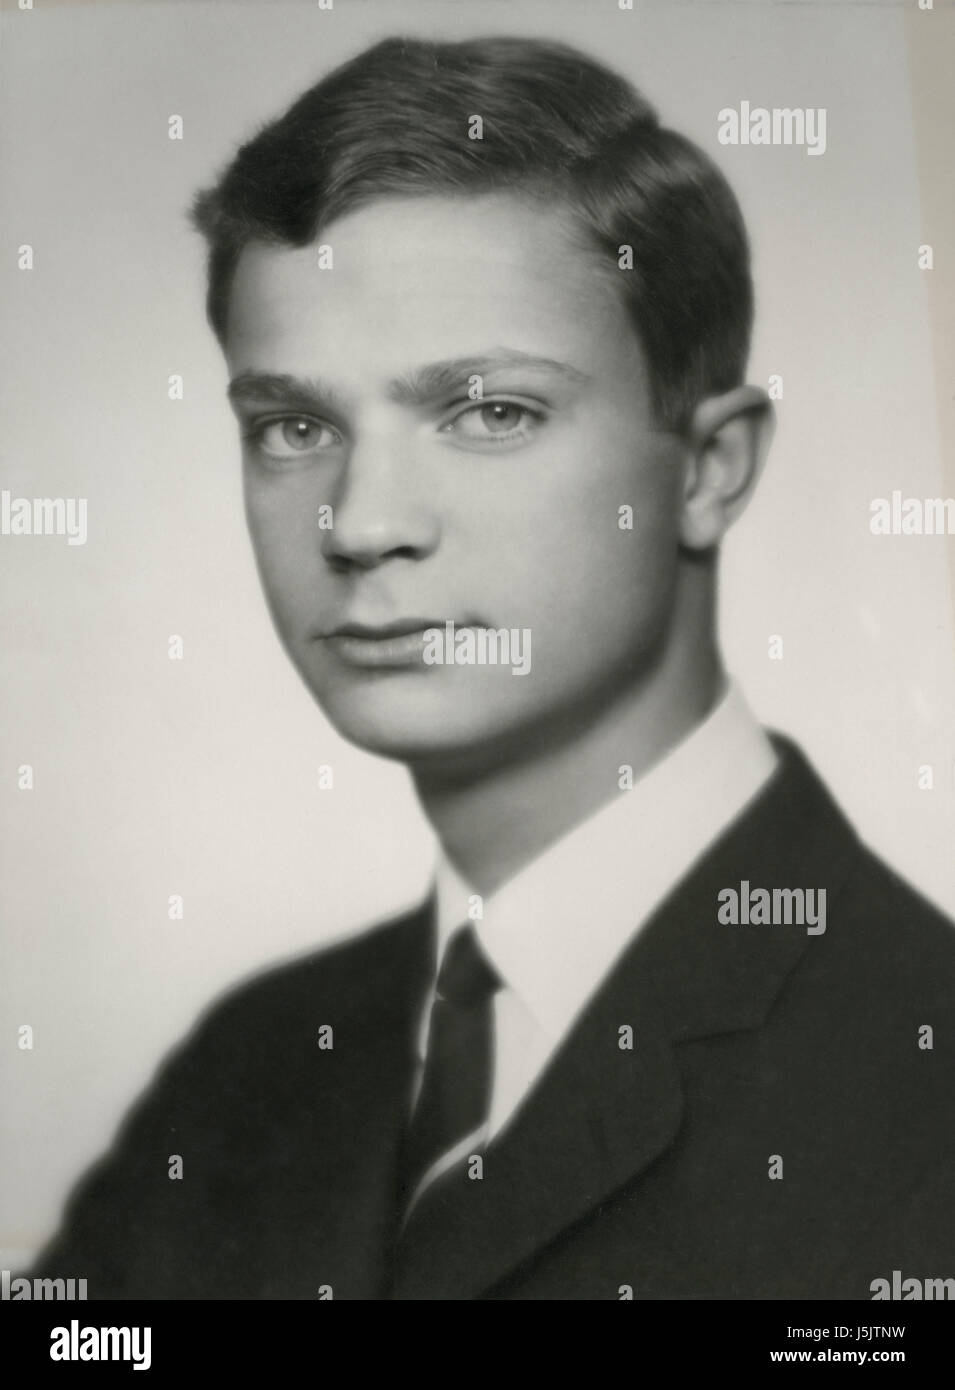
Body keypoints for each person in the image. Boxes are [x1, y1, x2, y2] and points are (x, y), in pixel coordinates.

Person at [29, 35, 955, 1300]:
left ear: (706, 467)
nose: (358, 524)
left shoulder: (924, 1069)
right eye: (293, 427)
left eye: (490, 412)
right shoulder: (246, 1072)